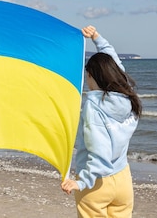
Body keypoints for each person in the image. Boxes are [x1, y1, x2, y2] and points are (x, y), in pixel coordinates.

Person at [61, 25, 142, 218]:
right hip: (123, 181)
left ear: (90, 75)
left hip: (96, 183)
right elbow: (114, 63)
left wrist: (81, 182)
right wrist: (97, 38)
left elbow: (100, 151)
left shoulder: (93, 106)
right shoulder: (127, 97)